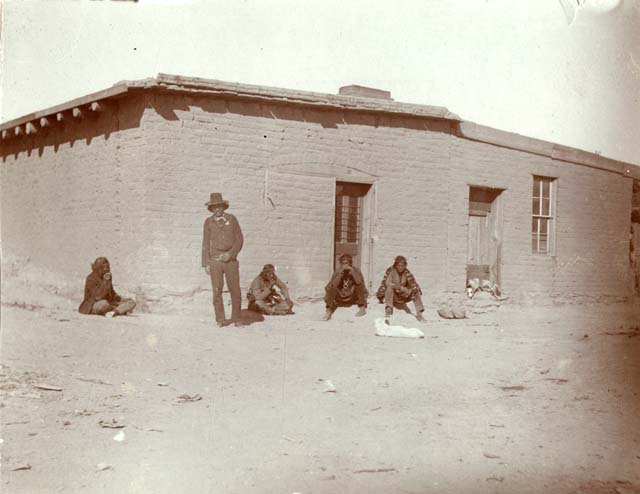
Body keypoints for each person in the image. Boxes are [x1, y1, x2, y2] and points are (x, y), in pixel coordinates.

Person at [202, 192, 244, 327]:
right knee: (217, 291)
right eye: (214, 207)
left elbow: (239, 240)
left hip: (230, 261)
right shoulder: (208, 222)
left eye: (219, 206)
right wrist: (206, 263)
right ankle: (220, 319)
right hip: (215, 261)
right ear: (211, 209)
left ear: (223, 207)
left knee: (235, 290)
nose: (217, 209)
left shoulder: (232, 219)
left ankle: (237, 318)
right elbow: (205, 243)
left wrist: (231, 254)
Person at [376, 255, 426, 323]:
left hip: (403, 295)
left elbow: (413, 284)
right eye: (399, 265)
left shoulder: (406, 272)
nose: (400, 267)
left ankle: (419, 313)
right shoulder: (391, 270)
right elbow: (387, 283)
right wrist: (400, 287)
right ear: (396, 265)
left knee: (415, 291)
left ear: (405, 266)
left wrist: (408, 290)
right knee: (389, 288)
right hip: (393, 295)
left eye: (402, 265)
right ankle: (389, 309)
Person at [322, 253, 368, 320]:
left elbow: (359, 282)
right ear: (341, 264)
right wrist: (340, 274)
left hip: (352, 296)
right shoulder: (338, 271)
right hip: (340, 296)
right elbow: (333, 285)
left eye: (347, 263)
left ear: (350, 263)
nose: (345, 265)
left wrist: (353, 273)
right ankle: (328, 311)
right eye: (343, 263)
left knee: (359, 285)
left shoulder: (356, 270)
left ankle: (362, 308)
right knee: (331, 287)